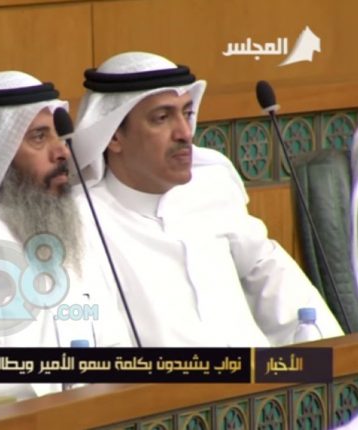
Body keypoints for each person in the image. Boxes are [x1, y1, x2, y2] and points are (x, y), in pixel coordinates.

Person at [71, 51, 343, 347]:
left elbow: (275, 279)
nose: (185, 133)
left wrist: (331, 358)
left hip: (259, 373)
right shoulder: (82, 223)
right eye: (162, 118)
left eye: (187, 114)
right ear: (113, 136)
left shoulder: (210, 186)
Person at [0, 70, 133, 400]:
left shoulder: (68, 224)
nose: (62, 152)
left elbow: (113, 340)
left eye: (58, 136)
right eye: (38, 138)